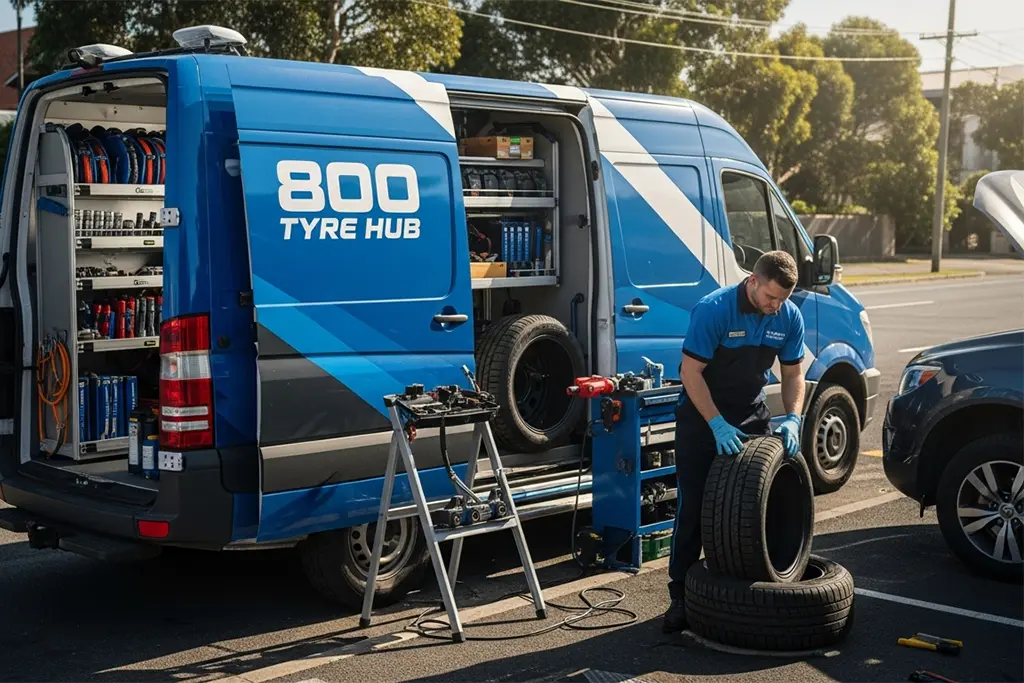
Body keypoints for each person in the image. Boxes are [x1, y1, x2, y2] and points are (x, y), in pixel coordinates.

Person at [662, 250, 806, 633]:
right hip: (701, 414)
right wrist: (716, 425)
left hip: (750, 411)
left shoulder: (788, 316)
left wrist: (792, 417)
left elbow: (793, 374)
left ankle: (757, 585)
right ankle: (680, 595)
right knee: (694, 506)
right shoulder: (714, 310)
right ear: (753, 281)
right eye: (770, 297)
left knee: (756, 504)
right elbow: (690, 373)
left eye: (783, 300)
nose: (775, 306)